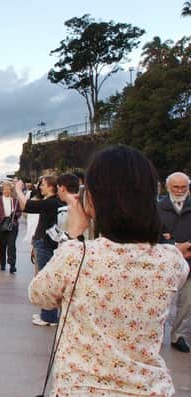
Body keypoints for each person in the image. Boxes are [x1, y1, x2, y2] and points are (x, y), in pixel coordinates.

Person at [29, 145, 189, 396]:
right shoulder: (171, 260)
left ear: (92, 200)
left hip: (81, 388)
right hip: (149, 388)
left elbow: (40, 295)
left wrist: (71, 234)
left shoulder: (77, 255)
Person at [14, 176, 62, 326]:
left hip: (45, 244)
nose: (40, 187)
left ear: (51, 187)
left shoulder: (51, 202)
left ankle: (49, 316)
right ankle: (47, 313)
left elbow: (26, 206)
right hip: (45, 242)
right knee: (45, 278)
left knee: (45, 279)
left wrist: (18, 190)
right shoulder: (54, 202)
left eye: (43, 185)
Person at [158, 171, 191, 353]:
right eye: (176, 187)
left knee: (187, 303)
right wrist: (175, 245)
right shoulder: (157, 208)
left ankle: (178, 336)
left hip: (189, 262)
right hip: (165, 265)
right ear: (168, 187)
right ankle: (157, 336)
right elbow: (154, 235)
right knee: (162, 303)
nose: (179, 190)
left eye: (183, 187)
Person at [0, 182, 22, 273]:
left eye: (8, 189)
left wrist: (15, 216)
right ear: (2, 190)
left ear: (11, 190)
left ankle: (12, 265)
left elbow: (19, 211)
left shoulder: (15, 201)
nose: (6, 191)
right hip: (1, 224)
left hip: (12, 225)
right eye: (5, 189)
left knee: (11, 245)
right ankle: (2, 264)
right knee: (2, 246)